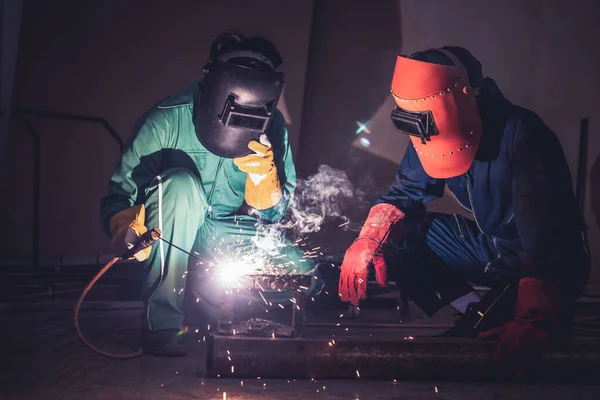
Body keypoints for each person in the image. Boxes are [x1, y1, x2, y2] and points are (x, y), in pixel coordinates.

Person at [338, 46, 591, 374]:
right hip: (492, 250)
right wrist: (369, 237)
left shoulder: (523, 133)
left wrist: (534, 318)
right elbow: (404, 195)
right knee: (398, 233)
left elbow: (545, 237)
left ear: (472, 97)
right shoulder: (427, 129)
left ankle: (523, 311)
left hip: (551, 262)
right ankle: (475, 311)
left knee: (500, 343)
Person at [100, 31, 320, 357]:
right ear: (216, 83)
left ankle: (209, 300)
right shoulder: (165, 119)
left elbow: (277, 212)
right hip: (173, 227)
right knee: (178, 184)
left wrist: (264, 178)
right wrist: (126, 230)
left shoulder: (272, 127)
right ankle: (161, 321)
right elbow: (119, 196)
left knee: (305, 278)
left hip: (227, 229)